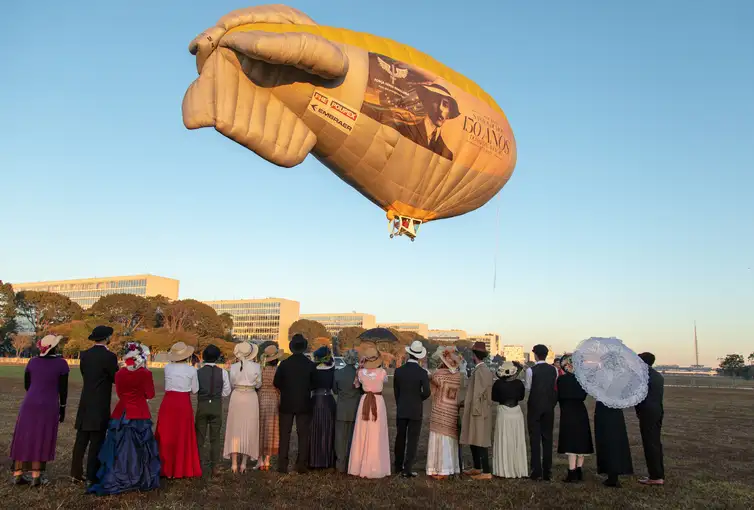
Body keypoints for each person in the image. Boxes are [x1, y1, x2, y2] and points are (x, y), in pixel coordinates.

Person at [87, 342, 160, 495]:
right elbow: (151, 394)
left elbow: (120, 394)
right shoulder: (145, 374)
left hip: (122, 412)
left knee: (117, 446)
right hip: (139, 413)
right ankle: (138, 476)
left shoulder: (119, 374)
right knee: (139, 447)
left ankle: (117, 474)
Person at [10, 335, 69, 487]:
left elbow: (27, 384)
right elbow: (63, 390)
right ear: (54, 347)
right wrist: (63, 408)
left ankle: (18, 474)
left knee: (23, 436)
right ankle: (36, 476)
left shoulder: (32, 362)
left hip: (29, 403)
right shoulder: (61, 364)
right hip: (48, 404)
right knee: (41, 437)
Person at [72, 325, 118, 487]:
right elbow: (115, 378)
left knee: (81, 439)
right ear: (107, 338)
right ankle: (92, 474)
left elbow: (85, 374)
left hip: (86, 400)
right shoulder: (110, 357)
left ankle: (75, 473)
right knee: (96, 440)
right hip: (100, 402)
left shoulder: (85, 355)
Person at [155, 341, 202, 479]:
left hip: (169, 402)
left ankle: (165, 467)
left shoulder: (167, 368)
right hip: (183, 403)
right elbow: (195, 389)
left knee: (167, 433)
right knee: (182, 434)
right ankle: (182, 467)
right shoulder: (191, 370)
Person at [274, 334, 316, 474]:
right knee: (303, 435)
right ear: (304, 348)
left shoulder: (284, 364)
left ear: (291, 348)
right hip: (304, 403)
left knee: (284, 435)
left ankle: (282, 465)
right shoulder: (310, 365)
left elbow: (277, 382)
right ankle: (301, 464)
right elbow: (314, 384)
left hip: (287, 403)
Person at [348, 346, 391, 479]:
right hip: (377, 401)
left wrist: (360, 368)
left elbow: (356, 385)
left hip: (365, 400)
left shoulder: (360, 373)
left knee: (363, 431)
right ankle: (377, 464)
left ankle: (359, 464)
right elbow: (385, 380)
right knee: (377, 431)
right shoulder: (382, 372)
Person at [393, 340, 431, 478]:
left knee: (400, 437)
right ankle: (407, 468)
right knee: (413, 439)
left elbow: (396, 391)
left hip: (402, 407)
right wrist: (418, 399)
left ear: (409, 354)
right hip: (416, 409)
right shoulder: (422, 373)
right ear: (419, 356)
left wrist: (401, 402)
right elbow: (427, 392)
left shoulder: (398, 371)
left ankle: (397, 465)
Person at [223, 341, 262, 473]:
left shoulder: (233, 367)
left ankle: (234, 463)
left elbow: (233, 382)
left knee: (235, 429)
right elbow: (258, 385)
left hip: (237, 397)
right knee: (249, 429)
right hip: (250, 397)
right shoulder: (256, 367)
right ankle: (244, 463)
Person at [426, 346, 462, 479]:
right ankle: (451, 467)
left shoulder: (438, 375)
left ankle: (440, 469)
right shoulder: (458, 376)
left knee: (439, 438)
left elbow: (432, 387)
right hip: (452, 409)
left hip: (440, 408)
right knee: (449, 439)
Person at [459, 342, 494, 481]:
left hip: (478, 410)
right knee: (474, 438)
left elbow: (478, 393)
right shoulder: (481, 369)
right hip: (477, 408)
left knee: (480, 440)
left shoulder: (481, 370)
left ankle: (485, 470)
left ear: (474, 356)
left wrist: (473, 409)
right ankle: (477, 467)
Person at [556, 354, 593, 483]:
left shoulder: (561, 380)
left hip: (567, 411)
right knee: (581, 440)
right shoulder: (583, 380)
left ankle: (571, 472)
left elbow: (559, 396)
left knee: (570, 442)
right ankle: (579, 470)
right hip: (580, 410)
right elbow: (584, 396)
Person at [195, 344, 231, 476]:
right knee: (215, 438)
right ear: (217, 357)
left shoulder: (198, 372)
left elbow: (195, 389)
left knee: (199, 437)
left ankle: (197, 465)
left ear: (204, 357)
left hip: (203, 405)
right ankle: (215, 465)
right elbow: (226, 391)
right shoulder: (223, 372)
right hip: (216, 405)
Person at [525, 344, 559, 481]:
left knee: (534, 439)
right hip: (549, 407)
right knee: (547, 438)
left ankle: (536, 470)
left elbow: (528, 387)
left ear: (535, 355)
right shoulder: (554, 370)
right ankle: (547, 470)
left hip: (534, 406)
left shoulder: (531, 370)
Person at [491, 361, 528, 479]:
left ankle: (503, 469)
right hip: (516, 412)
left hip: (504, 412)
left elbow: (494, 398)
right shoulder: (519, 384)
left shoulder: (497, 384)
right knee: (517, 440)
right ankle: (518, 468)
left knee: (504, 438)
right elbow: (521, 397)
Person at [636, 352, 665, 486]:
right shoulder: (657, 375)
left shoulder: (643, 376)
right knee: (655, 442)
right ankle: (658, 473)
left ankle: (655, 476)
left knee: (650, 443)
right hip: (657, 411)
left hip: (647, 413)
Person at [332, 349, 361, 473]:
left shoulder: (338, 373)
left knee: (339, 437)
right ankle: (351, 462)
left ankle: (340, 463)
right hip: (355, 409)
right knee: (352, 437)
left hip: (341, 409)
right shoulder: (359, 374)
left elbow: (335, 390)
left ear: (344, 358)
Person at [309, 346, 337, 469]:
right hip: (328, 400)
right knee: (328, 429)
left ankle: (314, 459)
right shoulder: (332, 370)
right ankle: (327, 459)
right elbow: (335, 388)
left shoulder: (312, 369)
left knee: (315, 430)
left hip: (315, 400)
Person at [595, 400, 633, 487]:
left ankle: (612, 476)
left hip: (605, 411)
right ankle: (614, 474)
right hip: (616, 411)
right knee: (616, 442)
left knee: (608, 442)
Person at [258, 343, 282, 471]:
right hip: (273, 399)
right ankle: (267, 460)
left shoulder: (261, 369)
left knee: (260, 428)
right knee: (271, 429)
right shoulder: (278, 371)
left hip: (261, 398)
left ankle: (259, 459)